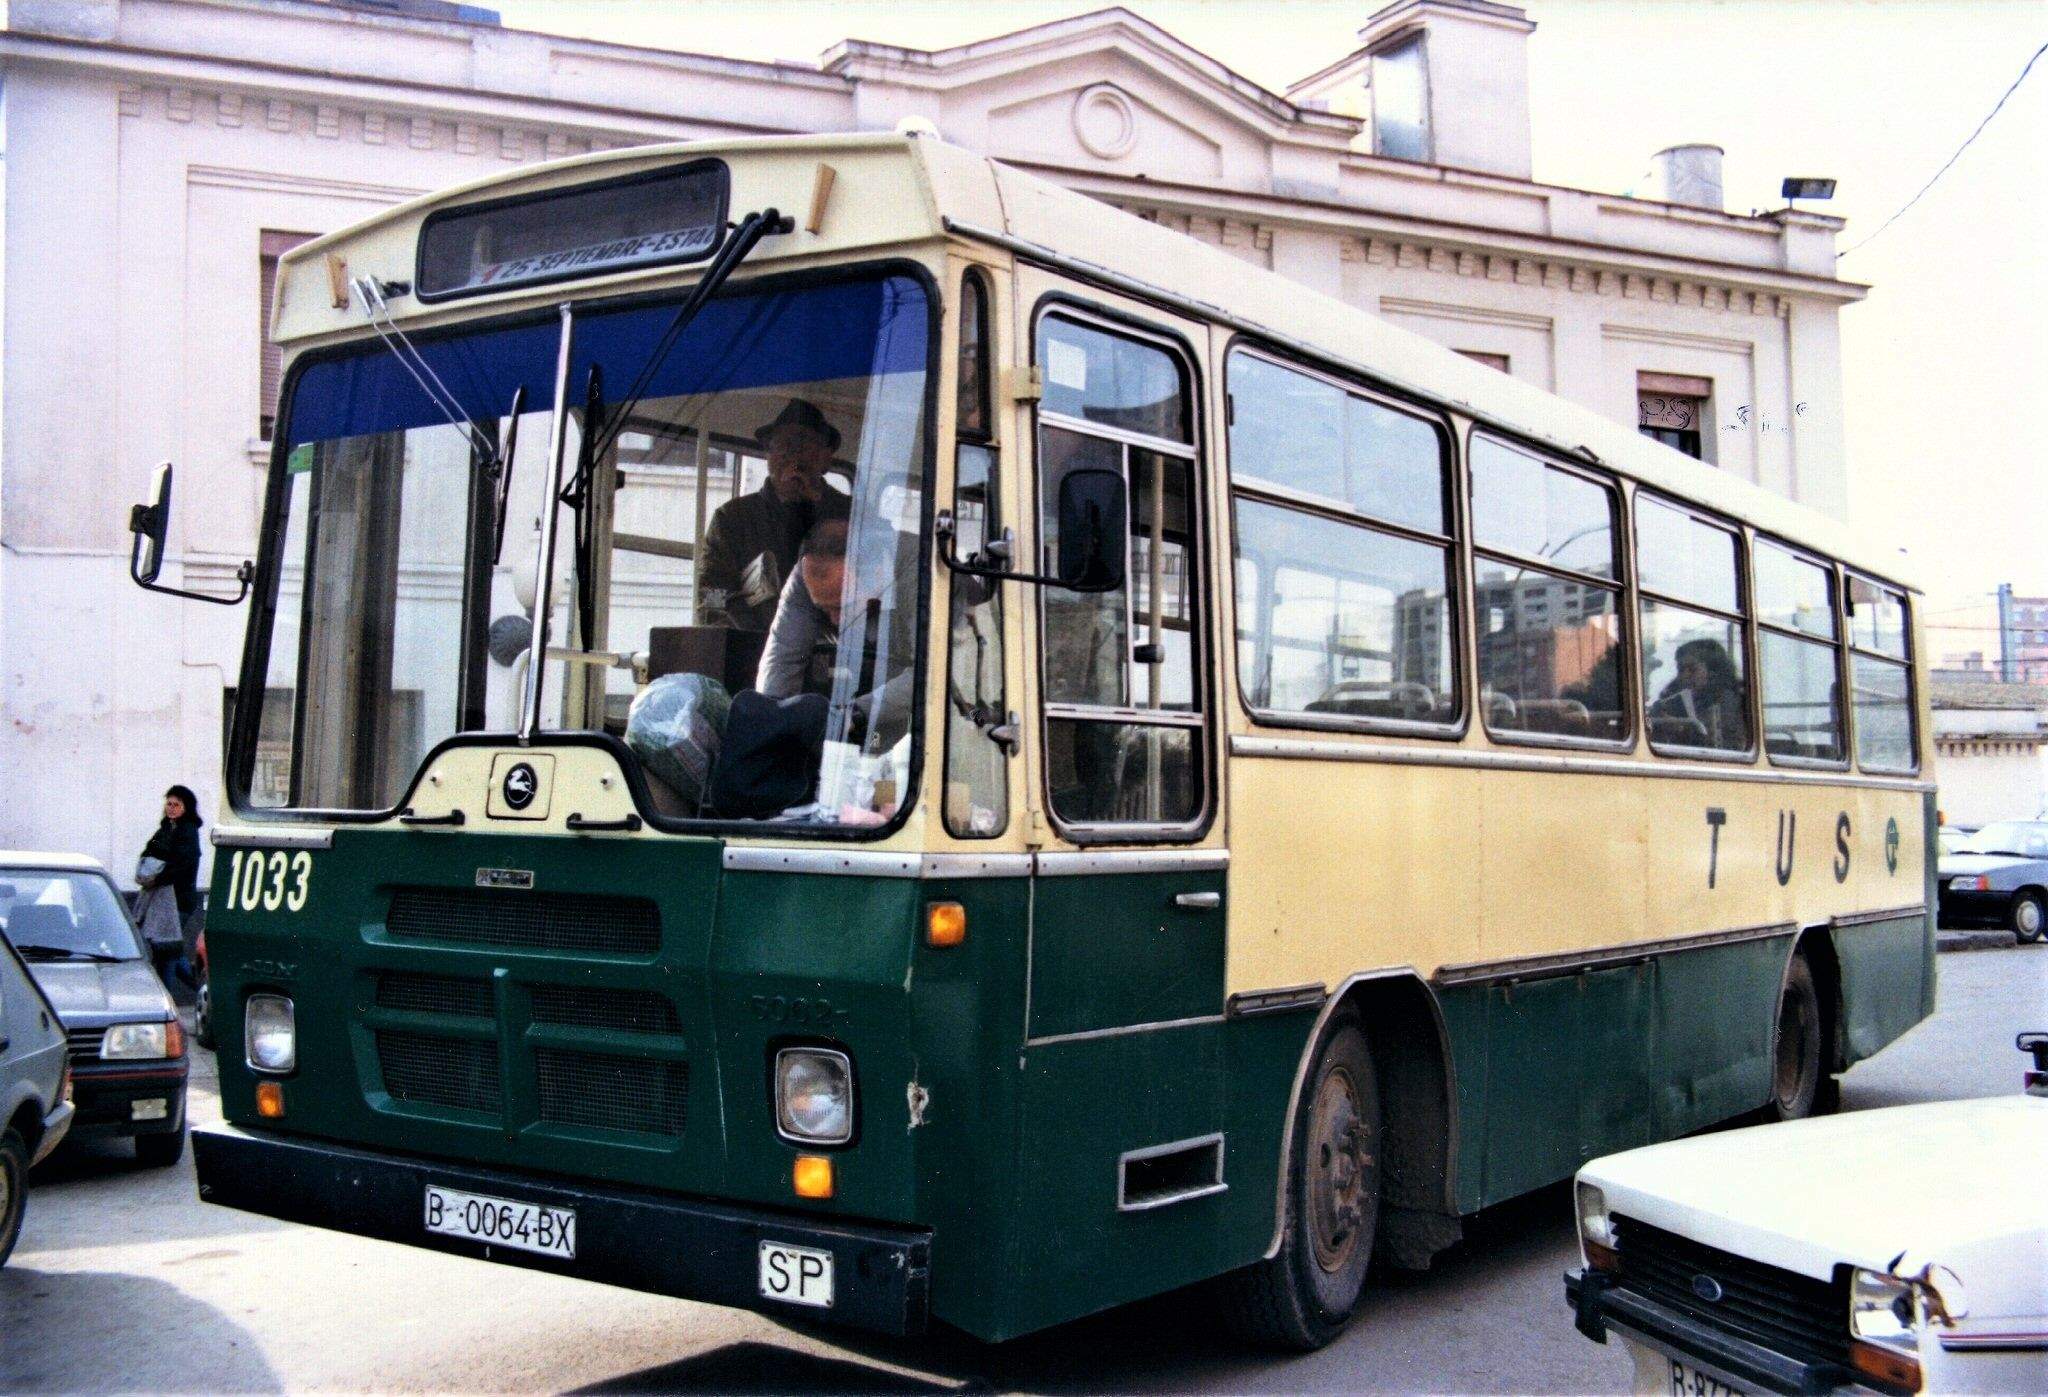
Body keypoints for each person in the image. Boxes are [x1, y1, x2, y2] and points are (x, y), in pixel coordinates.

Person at [756, 518, 917, 748]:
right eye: (824, 609)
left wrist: (856, 714)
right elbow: (782, 656)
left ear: (876, 574)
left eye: (843, 606)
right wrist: (772, 720)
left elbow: (931, 672)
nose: (835, 621)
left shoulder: (920, 569)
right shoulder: (807, 575)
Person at [695, 398, 850, 632]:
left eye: (803, 447)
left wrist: (819, 506)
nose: (792, 458)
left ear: (825, 458)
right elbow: (713, 599)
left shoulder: (852, 516)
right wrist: (754, 638)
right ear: (768, 456)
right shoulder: (733, 519)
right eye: (783, 447)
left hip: (834, 651)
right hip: (755, 651)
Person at [136, 785, 203, 986]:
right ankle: (203, 989)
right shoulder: (164, 829)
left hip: (178, 900)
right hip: (160, 899)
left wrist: (157, 876)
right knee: (170, 949)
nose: (171, 808)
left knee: (166, 950)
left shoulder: (188, 832)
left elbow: (183, 865)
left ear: (186, 808)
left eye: (176, 805)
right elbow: (148, 852)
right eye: (169, 804)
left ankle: (166, 995)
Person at [1650, 638, 1749, 751]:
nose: (1684, 675)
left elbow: (1727, 747)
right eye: (1681, 669)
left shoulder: (1731, 701)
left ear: (1712, 670)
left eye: (1692, 669)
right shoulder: (1671, 699)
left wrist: (1684, 731)